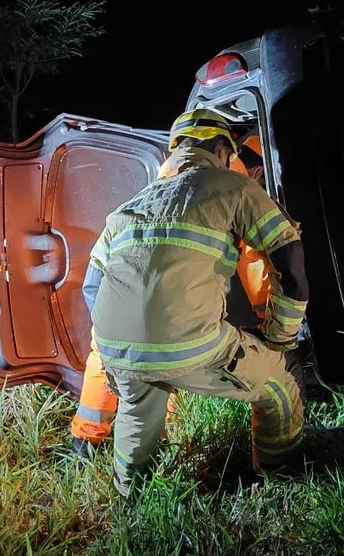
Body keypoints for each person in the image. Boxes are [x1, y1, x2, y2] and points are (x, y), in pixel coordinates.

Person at [82, 109, 309, 491]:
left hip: (117, 350)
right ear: (222, 149)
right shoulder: (233, 186)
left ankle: (128, 495)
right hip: (190, 344)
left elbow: (92, 287)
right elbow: (290, 260)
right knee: (281, 383)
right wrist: (281, 339)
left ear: (176, 151)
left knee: (138, 416)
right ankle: (279, 482)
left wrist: (121, 347)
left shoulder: (126, 208)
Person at [69, 129, 273, 457]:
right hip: (172, 311)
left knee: (107, 348)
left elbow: (93, 281)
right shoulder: (236, 189)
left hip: (125, 293)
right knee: (170, 355)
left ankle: (85, 443)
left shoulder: (161, 181)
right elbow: (256, 268)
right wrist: (269, 327)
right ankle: (170, 441)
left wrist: (109, 334)